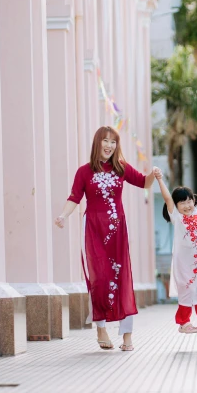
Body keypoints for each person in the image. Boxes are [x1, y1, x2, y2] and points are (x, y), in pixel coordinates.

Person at [54, 126, 156, 352]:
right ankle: (100, 327)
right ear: (97, 143)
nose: (109, 146)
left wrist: (153, 174)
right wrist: (63, 215)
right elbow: (74, 197)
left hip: (117, 231)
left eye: (113, 142)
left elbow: (143, 182)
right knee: (99, 279)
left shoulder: (121, 168)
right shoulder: (84, 172)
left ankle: (127, 335)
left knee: (122, 277)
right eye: (105, 141)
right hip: (93, 230)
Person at [155, 168, 197, 334]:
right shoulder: (176, 216)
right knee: (186, 290)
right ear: (175, 206)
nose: (187, 205)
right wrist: (160, 179)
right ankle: (184, 323)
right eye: (182, 203)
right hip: (183, 263)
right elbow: (167, 197)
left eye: (189, 201)